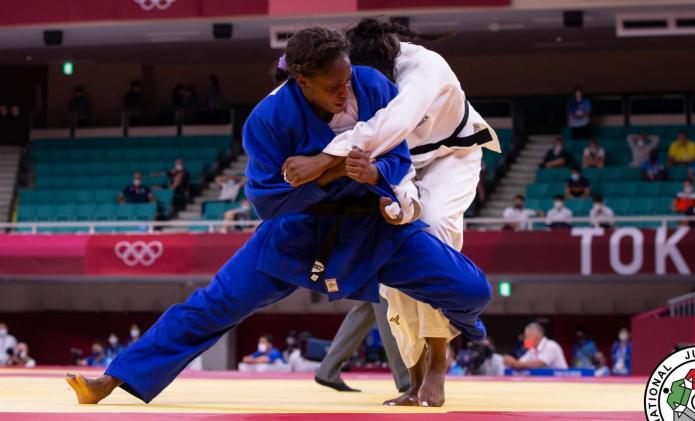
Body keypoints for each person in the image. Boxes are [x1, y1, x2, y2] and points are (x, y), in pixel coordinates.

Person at [65, 26, 491, 409]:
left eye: (346, 80)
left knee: (473, 290)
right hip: (298, 233)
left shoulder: (373, 84)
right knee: (213, 305)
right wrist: (338, 171)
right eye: (332, 86)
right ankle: (113, 377)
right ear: (302, 81)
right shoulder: (267, 120)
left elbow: (399, 157)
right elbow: (269, 203)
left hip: (372, 224)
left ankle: (454, 336)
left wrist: (373, 172)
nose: (344, 92)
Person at [280, 18, 501, 405]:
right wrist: (391, 198)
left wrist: (319, 162)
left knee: (431, 230)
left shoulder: (423, 68)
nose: (353, 88)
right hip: (397, 163)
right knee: (390, 251)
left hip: (452, 156)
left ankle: (437, 363)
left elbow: (392, 123)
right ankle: (413, 377)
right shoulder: (350, 77)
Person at [503, 322, 568, 370]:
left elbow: (539, 364)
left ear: (536, 336)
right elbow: (521, 362)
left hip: (562, 382)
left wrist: (516, 364)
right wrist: (511, 362)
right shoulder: (533, 349)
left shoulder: (551, 345)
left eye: (527, 337)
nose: (525, 340)